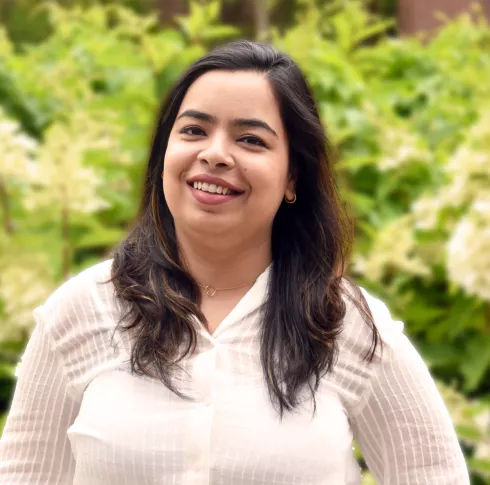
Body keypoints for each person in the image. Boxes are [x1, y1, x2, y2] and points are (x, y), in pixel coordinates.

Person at [0, 40, 469, 485]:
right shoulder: (83, 311)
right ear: (165, 156)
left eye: (250, 139)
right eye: (193, 131)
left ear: (292, 178)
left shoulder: (347, 326)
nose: (214, 154)